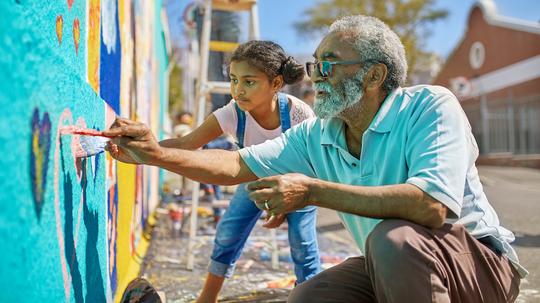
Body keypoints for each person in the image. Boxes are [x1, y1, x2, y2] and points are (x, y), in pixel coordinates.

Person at [104, 15, 527, 303]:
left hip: (480, 268)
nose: (316, 75)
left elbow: (429, 206)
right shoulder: (318, 133)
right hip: (391, 266)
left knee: (393, 238)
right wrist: (156, 154)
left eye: (329, 64)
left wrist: (311, 190)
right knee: (309, 296)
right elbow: (236, 166)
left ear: (375, 75)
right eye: (315, 64)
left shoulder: (429, 106)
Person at [108, 40, 321, 303]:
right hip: (253, 178)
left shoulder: (299, 114)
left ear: (276, 84)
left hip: (299, 183)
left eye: (249, 82)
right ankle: (207, 298)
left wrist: (284, 207)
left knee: (303, 244)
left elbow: (313, 164)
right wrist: (141, 153)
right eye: (233, 80)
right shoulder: (234, 113)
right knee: (227, 233)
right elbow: (187, 144)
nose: (238, 90)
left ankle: (309, 294)